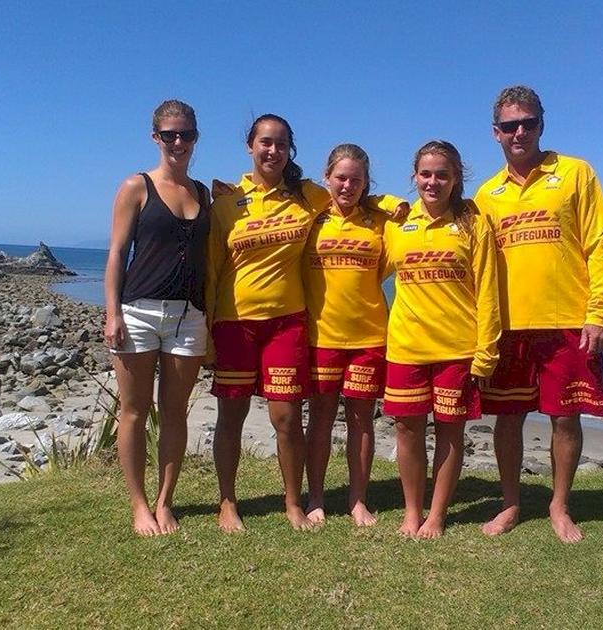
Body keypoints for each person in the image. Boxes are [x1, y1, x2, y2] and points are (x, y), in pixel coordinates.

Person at [207, 115, 404, 532]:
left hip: (288, 324)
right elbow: (211, 270)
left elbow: (357, 197)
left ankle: (294, 502)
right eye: (265, 142)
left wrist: (389, 204)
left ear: (289, 151)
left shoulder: (305, 197)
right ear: (251, 145)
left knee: (287, 419)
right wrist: (206, 332)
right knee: (231, 416)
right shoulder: (226, 201)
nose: (272, 151)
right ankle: (227, 503)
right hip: (234, 321)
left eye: (281, 144)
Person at [473, 85, 603, 543]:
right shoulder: (486, 194)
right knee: (508, 418)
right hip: (509, 325)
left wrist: (600, 312)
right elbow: (476, 266)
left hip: (568, 321)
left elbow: (601, 244)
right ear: (495, 133)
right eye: (510, 125)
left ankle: (559, 506)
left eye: (528, 123)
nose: (519, 132)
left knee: (565, 416)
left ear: (541, 125)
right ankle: (512, 503)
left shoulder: (576, 173)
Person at [103, 99, 210, 536]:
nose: (178, 142)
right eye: (169, 135)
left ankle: (165, 501)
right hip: (139, 312)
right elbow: (116, 253)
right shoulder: (137, 186)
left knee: (175, 412)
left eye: (185, 134)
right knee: (133, 410)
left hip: (189, 317)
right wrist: (112, 313)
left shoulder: (204, 193)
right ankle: (139, 505)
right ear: (156, 138)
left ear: (195, 138)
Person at [382, 140, 500, 539]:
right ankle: (412, 512)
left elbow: (488, 290)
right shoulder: (396, 224)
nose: (433, 182)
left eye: (442, 174)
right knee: (407, 430)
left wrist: (487, 352)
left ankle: (437, 514)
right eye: (426, 174)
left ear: (456, 179)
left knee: (451, 432)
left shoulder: (473, 223)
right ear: (414, 177)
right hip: (405, 345)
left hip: (458, 349)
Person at [302, 144, 399, 527]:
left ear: (365, 184)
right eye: (341, 178)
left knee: (362, 420)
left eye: (356, 180)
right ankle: (316, 497)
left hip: (368, 337)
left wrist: (389, 202)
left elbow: (401, 249)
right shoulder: (311, 217)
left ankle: (359, 500)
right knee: (321, 419)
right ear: (327, 177)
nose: (347, 186)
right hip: (321, 335)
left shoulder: (379, 223)